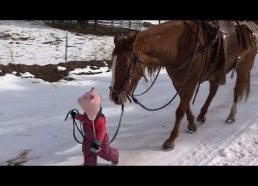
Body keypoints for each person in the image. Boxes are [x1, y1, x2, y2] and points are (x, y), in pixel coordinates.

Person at [70, 87, 119, 166]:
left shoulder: (100, 119)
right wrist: (76, 116)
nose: (84, 110)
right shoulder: (88, 114)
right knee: (88, 152)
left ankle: (115, 155)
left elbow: (102, 131)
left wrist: (97, 143)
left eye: (85, 108)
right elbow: (84, 118)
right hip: (88, 140)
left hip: (100, 141)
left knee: (105, 154)